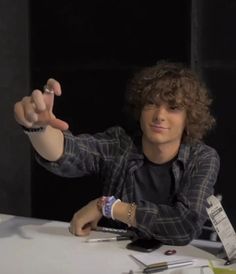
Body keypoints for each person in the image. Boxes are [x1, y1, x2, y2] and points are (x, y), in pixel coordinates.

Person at [14, 61, 220, 246]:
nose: (159, 116)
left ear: (189, 117)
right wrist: (37, 128)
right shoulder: (121, 144)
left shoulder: (202, 158)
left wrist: (108, 207)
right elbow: (70, 153)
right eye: (151, 104)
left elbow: (185, 225)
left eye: (173, 107)